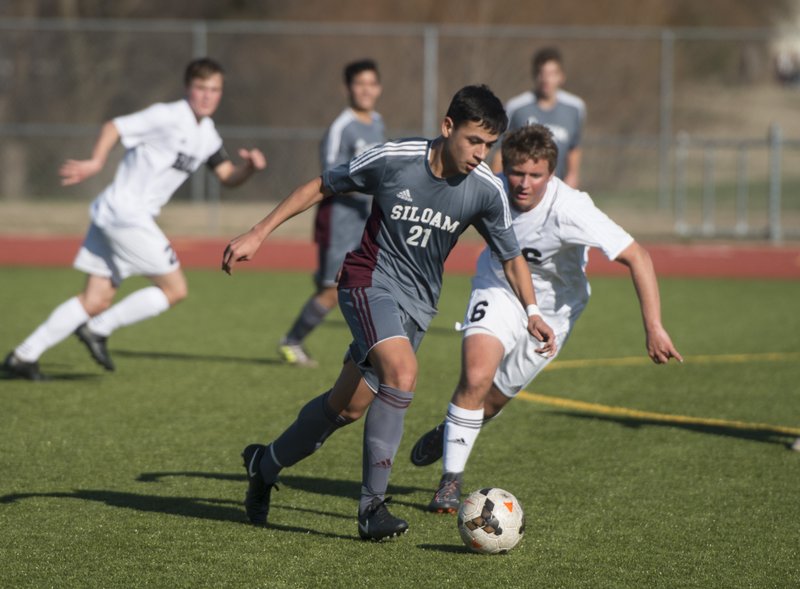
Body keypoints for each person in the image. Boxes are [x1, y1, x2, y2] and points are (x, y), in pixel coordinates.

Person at [221, 85, 557, 540]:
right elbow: (321, 185)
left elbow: (511, 255)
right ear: (447, 127)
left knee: (347, 406)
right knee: (402, 373)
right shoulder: (394, 159)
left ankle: (265, 464)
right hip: (367, 282)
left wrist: (532, 310)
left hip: (416, 307)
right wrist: (258, 233)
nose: (482, 154)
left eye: (489, 145)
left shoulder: (485, 191)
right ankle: (371, 509)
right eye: (474, 141)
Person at [411, 124, 683, 513]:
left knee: (490, 403)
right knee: (475, 376)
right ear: (505, 167)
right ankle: (449, 483)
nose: (523, 183)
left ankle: (450, 431)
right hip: (499, 287)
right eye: (517, 172)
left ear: (550, 173)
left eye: (535, 175)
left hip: (556, 309)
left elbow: (638, 256)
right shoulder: (488, 185)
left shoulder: (570, 208)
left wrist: (654, 327)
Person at [2, 58, 266, 381]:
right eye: (201, 88)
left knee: (95, 299)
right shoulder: (167, 116)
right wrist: (97, 162)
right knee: (175, 290)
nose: (208, 96)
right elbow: (114, 126)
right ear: (188, 88)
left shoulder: (208, 134)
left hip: (115, 214)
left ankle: (22, 357)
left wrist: (250, 168)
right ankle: (98, 329)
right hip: (126, 214)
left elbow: (227, 175)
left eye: (215, 90)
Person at [278, 59, 385, 367]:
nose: (366, 90)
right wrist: (372, 185)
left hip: (366, 219)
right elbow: (329, 177)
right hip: (339, 219)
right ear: (347, 88)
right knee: (331, 289)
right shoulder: (341, 127)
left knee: (370, 282)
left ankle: (371, 348)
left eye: (371, 83)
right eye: (359, 83)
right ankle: (291, 341)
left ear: (378, 88)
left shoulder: (377, 122)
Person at [490, 47, 585, 188]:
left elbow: (574, 147)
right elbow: (500, 151)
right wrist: (495, 185)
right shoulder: (517, 108)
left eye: (552, 73)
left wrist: (572, 177)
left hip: (557, 189)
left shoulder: (575, 108)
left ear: (561, 76)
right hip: (522, 188)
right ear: (535, 75)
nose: (546, 79)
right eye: (542, 73)